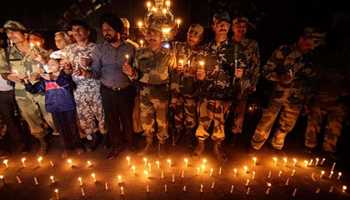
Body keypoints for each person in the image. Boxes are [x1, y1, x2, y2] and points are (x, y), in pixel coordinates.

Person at [250, 28, 325, 151]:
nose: (311, 47)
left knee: (287, 124)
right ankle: (255, 146)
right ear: (301, 39)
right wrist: (280, 78)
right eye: (309, 43)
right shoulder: (284, 51)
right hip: (279, 93)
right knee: (267, 121)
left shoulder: (312, 57)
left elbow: (313, 79)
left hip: (297, 97)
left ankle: (276, 146)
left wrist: (308, 99)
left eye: (314, 44)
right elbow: (266, 71)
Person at [0, 20, 54, 154]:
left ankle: (63, 138)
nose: (10, 35)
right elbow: (4, 72)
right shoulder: (6, 53)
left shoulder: (36, 48)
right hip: (22, 91)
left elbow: (50, 65)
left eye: (14, 32)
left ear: (23, 33)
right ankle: (43, 142)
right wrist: (12, 77)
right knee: (31, 119)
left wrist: (41, 70)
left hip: (41, 88)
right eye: (8, 33)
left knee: (51, 116)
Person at [122, 22, 175, 156]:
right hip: (144, 92)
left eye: (155, 34)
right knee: (146, 121)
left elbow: (174, 75)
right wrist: (130, 73)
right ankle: (149, 142)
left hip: (162, 93)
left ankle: (162, 144)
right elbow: (135, 75)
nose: (151, 37)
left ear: (161, 37)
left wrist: (174, 95)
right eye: (149, 34)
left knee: (162, 122)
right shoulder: (140, 53)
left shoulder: (169, 54)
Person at [91, 14, 136, 159]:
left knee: (127, 119)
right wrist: (87, 71)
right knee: (112, 120)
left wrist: (132, 72)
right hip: (107, 90)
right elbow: (96, 73)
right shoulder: (99, 50)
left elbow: (137, 72)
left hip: (126, 91)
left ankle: (130, 143)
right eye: (104, 30)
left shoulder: (130, 48)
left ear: (118, 30)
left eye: (109, 29)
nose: (106, 33)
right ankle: (116, 146)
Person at [193, 12, 234, 162]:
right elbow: (197, 70)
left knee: (220, 123)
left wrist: (239, 77)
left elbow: (241, 73)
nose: (223, 26)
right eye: (219, 24)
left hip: (224, 95)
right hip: (207, 92)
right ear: (214, 26)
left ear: (229, 27)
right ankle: (201, 145)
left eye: (226, 24)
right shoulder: (205, 49)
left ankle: (217, 147)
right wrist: (200, 76)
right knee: (203, 121)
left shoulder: (235, 50)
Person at [24, 58, 83, 157]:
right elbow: (35, 90)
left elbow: (68, 85)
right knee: (60, 129)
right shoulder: (45, 79)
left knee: (72, 127)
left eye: (53, 64)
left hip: (67, 106)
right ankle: (66, 148)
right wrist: (26, 82)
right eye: (49, 64)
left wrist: (53, 78)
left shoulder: (64, 75)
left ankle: (78, 146)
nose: (50, 66)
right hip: (54, 107)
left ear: (59, 66)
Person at [62, 20, 106, 150]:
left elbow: (103, 69)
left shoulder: (97, 49)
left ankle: (106, 136)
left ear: (88, 32)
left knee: (101, 114)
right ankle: (93, 137)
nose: (76, 32)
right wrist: (67, 69)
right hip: (78, 89)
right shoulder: (69, 49)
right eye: (74, 30)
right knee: (85, 116)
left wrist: (90, 65)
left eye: (79, 29)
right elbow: (67, 71)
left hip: (96, 87)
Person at [170, 24, 205, 146]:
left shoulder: (202, 52)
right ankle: (178, 132)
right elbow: (171, 64)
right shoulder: (177, 46)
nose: (192, 35)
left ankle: (189, 135)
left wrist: (196, 73)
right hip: (177, 88)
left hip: (191, 90)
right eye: (190, 32)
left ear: (200, 38)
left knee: (190, 115)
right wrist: (175, 67)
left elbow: (203, 71)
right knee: (177, 113)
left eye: (196, 34)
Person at [229, 17, 260, 143]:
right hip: (227, 81)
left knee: (240, 110)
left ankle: (234, 136)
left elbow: (256, 64)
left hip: (244, 81)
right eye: (238, 26)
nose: (241, 29)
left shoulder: (252, 44)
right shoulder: (227, 42)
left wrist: (253, 82)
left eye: (243, 27)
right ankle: (221, 135)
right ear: (232, 28)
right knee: (226, 108)